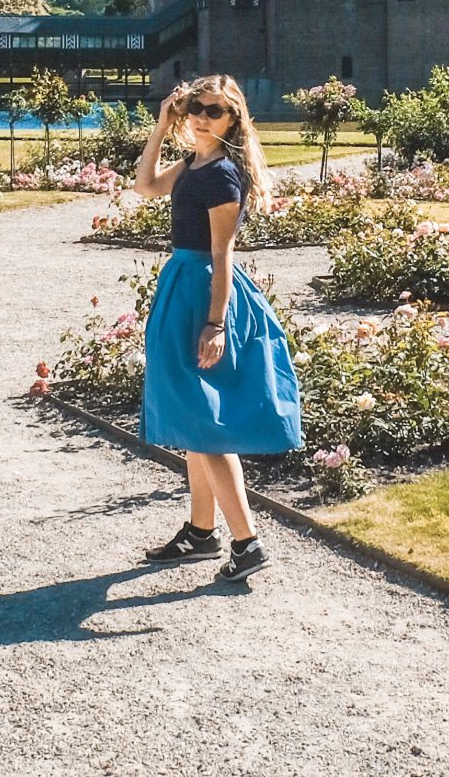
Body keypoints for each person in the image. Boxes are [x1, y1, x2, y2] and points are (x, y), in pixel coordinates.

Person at [133, 74, 302, 581]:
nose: (202, 117)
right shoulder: (193, 164)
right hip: (181, 285)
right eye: (196, 109)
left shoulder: (223, 174)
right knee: (192, 421)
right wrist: (161, 128)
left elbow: (222, 253)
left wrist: (215, 323)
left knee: (206, 423)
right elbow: (144, 186)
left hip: (203, 293)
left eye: (214, 111)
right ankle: (201, 533)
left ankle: (247, 543)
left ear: (233, 120)